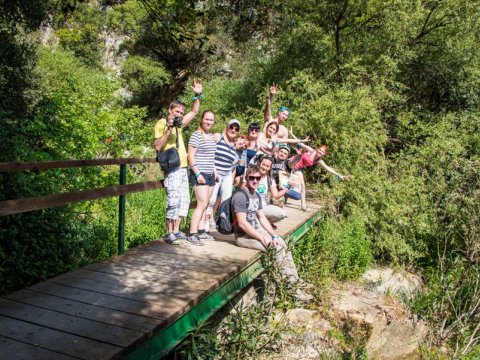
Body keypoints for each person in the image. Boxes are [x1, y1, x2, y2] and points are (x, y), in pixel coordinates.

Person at [231, 165, 313, 301]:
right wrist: (263, 238)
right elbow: (242, 224)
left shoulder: (256, 195)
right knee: (276, 249)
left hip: (256, 231)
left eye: (257, 178)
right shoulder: (240, 196)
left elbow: (262, 218)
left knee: (282, 243)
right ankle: (291, 290)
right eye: (252, 178)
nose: (255, 181)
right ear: (246, 178)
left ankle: (296, 282)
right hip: (244, 236)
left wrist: (273, 235)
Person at [154, 79, 203, 245]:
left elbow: (195, 111)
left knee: (184, 201)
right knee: (173, 200)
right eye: (177, 112)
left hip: (183, 168)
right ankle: (169, 233)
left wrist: (197, 94)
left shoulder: (179, 125)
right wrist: (168, 128)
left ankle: (176, 230)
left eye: (181, 113)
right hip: (172, 169)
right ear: (170, 110)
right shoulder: (162, 123)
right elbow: (158, 146)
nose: (180, 115)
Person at [187, 110, 218, 245]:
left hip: (210, 174)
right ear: (202, 119)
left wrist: (215, 171)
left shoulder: (210, 136)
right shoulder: (196, 135)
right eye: (207, 119)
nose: (209, 122)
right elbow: (191, 156)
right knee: (202, 204)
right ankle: (192, 233)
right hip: (200, 174)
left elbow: (211, 157)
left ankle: (201, 231)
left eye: (211, 120)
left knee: (206, 205)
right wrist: (198, 174)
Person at [205, 119, 241, 229]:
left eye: (236, 129)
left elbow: (232, 162)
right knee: (211, 199)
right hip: (215, 173)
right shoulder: (218, 137)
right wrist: (213, 170)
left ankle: (220, 222)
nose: (233, 130)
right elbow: (208, 151)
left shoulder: (234, 144)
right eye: (231, 127)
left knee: (226, 199)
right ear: (227, 127)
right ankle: (205, 223)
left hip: (226, 174)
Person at [256, 156, 297, 224]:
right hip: (250, 206)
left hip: (262, 206)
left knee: (282, 214)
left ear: (270, 168)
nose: (264, 167)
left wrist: (288, 186)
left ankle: (263, 223)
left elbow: (276, 195)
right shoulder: (251, 174)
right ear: (259, 164)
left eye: (267, 166)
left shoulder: (270, 180)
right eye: (263, 164)